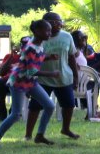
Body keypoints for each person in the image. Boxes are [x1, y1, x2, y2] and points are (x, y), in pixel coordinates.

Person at [0, 20, 59, 148]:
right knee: (16, 114)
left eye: (50, 30)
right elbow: (32, 71)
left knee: (49, 106)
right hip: (19, 83)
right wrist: (51, 74)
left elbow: (37, 58)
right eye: (47, 30)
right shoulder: (30, 47)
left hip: (30, 82)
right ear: (37, 31)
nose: (50, 33)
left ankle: (39, 136)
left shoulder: (39, 44)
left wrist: (49, 57)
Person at [24, 12, 81, 141]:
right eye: (55, 21)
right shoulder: (37, 39)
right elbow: (30, 61)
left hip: (63, 76)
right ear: (45, 24)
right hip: (43, 77)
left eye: (60, 21)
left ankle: (65, 129)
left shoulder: (67, 36)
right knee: (35, 106)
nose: (59, 24)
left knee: (69, 104)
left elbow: (71, 56)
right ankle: (28, 134)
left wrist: (75, 76)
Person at [0, 36, 30, 121]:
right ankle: (2, 113)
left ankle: (13, 112)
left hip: (22, 82)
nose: (25, 47)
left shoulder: (32, 57)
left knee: (19, 84)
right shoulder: (10, 56)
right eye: (23, 45)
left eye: (27, 45)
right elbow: (1, 72)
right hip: (8, 81)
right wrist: (11, 57)